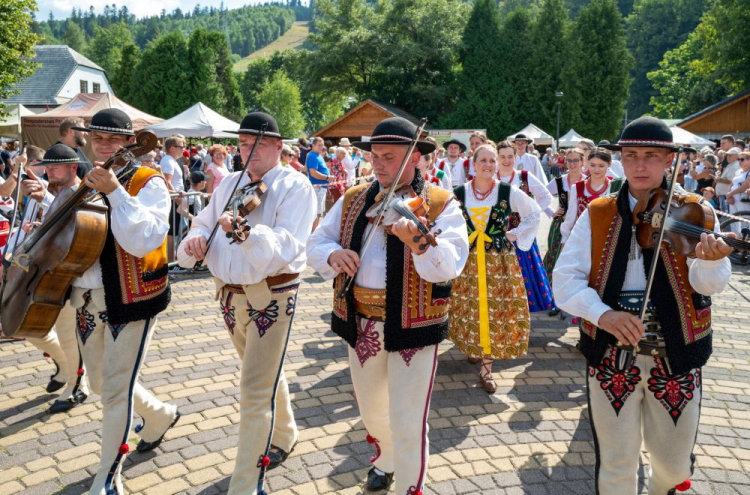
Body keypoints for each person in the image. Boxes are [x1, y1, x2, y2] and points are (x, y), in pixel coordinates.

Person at [553, 116, 734, 495]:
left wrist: (713, 260)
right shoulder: (599, 212)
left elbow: (708, 285)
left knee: (673, 465)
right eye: (631, 155)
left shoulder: (696, 210)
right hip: (611, 354)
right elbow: (565, 280)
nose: (639, 165)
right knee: (616, 464)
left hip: (676, 352)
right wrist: (603, 314)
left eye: (651, 156)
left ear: (670, 160)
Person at [307, 117, 469, 495]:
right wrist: (333, 255)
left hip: (413, 326)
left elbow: (450, 264)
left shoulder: (440, 204)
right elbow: (316, 241)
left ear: (417, 160)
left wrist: (421, 243)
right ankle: (386, 458)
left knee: (408, 418)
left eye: (389, 157)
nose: (378, 164)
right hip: (361, 322)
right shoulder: (352, 198)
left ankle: (410, 487)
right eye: (375, 156)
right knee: (371, 410)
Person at [178, 111, 316, 494]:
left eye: (257, 143)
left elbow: (287, 246)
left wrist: (247, 235)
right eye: (241, 143)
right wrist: (195, 238)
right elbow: (204, 220)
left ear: (277, 146)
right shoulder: (231, 183)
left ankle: (246, 483)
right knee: (263, 374)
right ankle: (285, 433)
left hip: (271, 295)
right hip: (228, 294)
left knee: (254, 389)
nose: (248, 151)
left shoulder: (295, 186)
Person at [68, 109, 180, 493]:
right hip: (85, 294)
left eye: (113, 139)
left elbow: (146, 238)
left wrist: (116, 191)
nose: (104, 145)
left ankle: (108, 477)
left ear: (130, 142)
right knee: (100, 382)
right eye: (97, 138)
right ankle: (161, 414)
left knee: (115, 388)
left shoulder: (150, 182)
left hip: (131, 297)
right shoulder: (85, 180)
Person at [7, 144, 91, 413]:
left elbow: (71, 230)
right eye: (48, 167)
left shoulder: (80, 193)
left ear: (72, 167)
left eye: (55, 168)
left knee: (67, 335)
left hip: (62, 276)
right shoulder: (61, 191)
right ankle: (65, 369)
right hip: (47, 272)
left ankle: (77, 385)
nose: (49, 172)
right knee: (32, 327)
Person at [450, 144, 541, 393]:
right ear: (473, 162)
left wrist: (515, 234)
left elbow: (534, 213)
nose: (489, 165)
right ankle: (474, 346)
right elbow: (445, 222)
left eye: (493, 161)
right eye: (484, 160)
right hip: (468, 261)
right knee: (469, 307)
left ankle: (486, 369)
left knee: (494, 309)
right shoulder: (458, 192)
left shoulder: (506, 190)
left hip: (498, 261)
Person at [497, 141, 556, 313]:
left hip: (522, 233)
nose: (506, 160)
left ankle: (521, 310)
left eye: (510, 156)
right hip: (498, 234)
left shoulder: (524, 176)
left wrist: (532, 212)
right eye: (502, 157)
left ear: (515, 157)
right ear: (497, 158)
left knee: (523, 275)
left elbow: (545, 196)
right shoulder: (491, 178)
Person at [543, 147, 585, 316]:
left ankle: (575, 298)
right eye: (569, 160)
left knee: (577, 262)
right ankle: (553, 299)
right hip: (560, 225)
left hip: (581, 225)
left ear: (583, 162)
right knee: (555, 259)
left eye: (576, 160)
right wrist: (550, 212)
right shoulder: (559, 181)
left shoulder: (587, 181)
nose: (572, 164)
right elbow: (540, 195)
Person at [560, 148, 623, 246]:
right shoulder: (577, 187)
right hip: (581, 241)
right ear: (587, 164)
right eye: (592, 165)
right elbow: (570, 218)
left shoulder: (616, 187)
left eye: (601, 166)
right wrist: (564, 242)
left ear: (609, 164)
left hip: (607, 242)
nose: (596, 169)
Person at [159, 134, 187, 261]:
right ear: (172, 148)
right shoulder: (168, 161)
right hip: (172, 201)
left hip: (174, 200)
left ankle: (171, 260)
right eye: (181, 146)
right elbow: (166, 181)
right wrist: (177, 198)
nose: (183, 149)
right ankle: (170, 262)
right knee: (171, 233)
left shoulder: (171, 161)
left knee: (173, 232)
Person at [305, 137, 333, 229]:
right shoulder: (313, 156)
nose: (321, 147)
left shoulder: (318, 155)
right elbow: (313, 173)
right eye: (319, 145)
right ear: (313, 145)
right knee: (316, 211)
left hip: (321, 187)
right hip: (317, 187)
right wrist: (328, 177)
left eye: (322, 145)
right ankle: (314, 233)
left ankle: (315, 232)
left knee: (319, 211)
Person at [726, 151, 750, 236]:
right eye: (738, 159)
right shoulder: (738, 172)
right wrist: (729, 195)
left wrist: (730, 193)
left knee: (745, 220)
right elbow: (732, 184)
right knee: (733, 220)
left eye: (742, 159)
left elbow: (745, 186)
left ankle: (745, 240)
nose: (739, 161)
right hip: (734, 198)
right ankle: (735, 239)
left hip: (743, 199)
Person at [715, 147, 741, 211]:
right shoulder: (732, 164)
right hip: (725, 194)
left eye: (730, 155)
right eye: (727, 155)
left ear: (737, 156)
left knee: (726, 216)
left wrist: (718, 180)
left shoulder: (734, 165)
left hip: (726, 195)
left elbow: (730, 181)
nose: (728, 157)